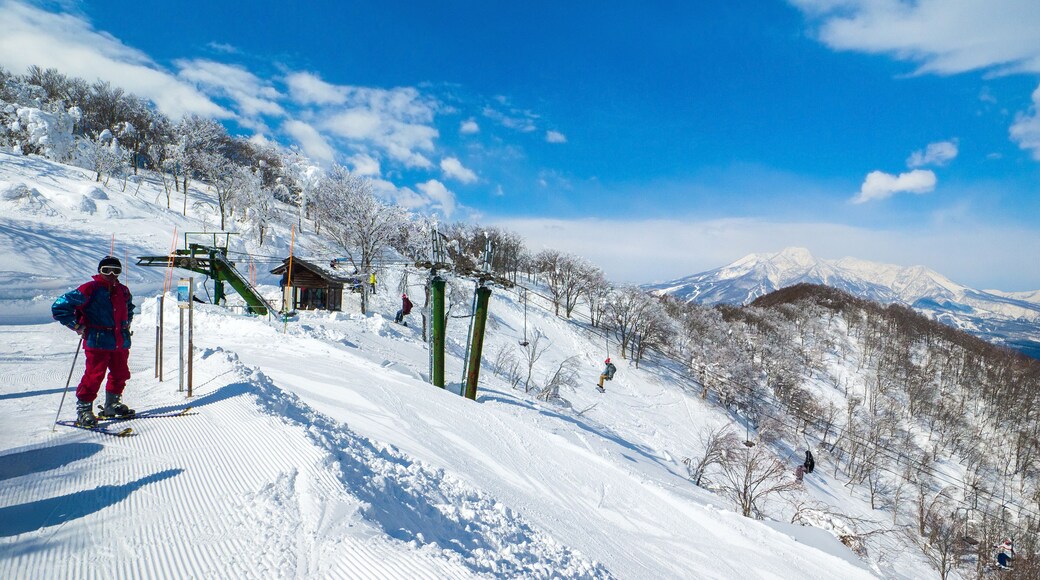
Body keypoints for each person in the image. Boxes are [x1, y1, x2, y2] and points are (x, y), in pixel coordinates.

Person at [52, 256, 135, 427]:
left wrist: (126, 323)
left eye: (116, 270)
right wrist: (76, 325)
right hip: (97, 340)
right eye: (106, 270)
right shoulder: (90, 288)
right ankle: (84, 410)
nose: (111, 274)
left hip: (120, 340)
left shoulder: (123, 290)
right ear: (99, 271)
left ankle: (112, 404)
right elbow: (60, 306)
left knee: (120, 373)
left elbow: (129, 308)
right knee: (94, 375)